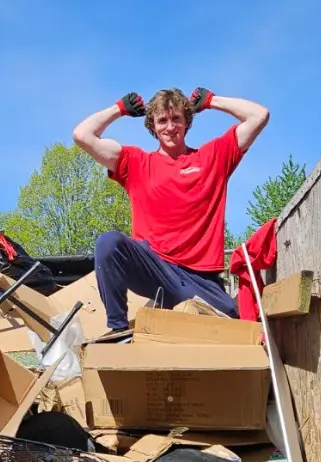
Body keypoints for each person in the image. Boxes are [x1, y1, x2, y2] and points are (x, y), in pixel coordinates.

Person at [72, 87, 270, 331]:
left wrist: (212, 101)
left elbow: (259, 115)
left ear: (187, 122)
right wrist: (119, 109)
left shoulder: (212, 157)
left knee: (232, 326)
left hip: (200, 279)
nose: (170, 126)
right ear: (153, 126)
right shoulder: (136, 163)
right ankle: (118, 329)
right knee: (109, 243)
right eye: (162, 120)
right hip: (155, 268)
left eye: (176, 118)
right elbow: (82, 135)